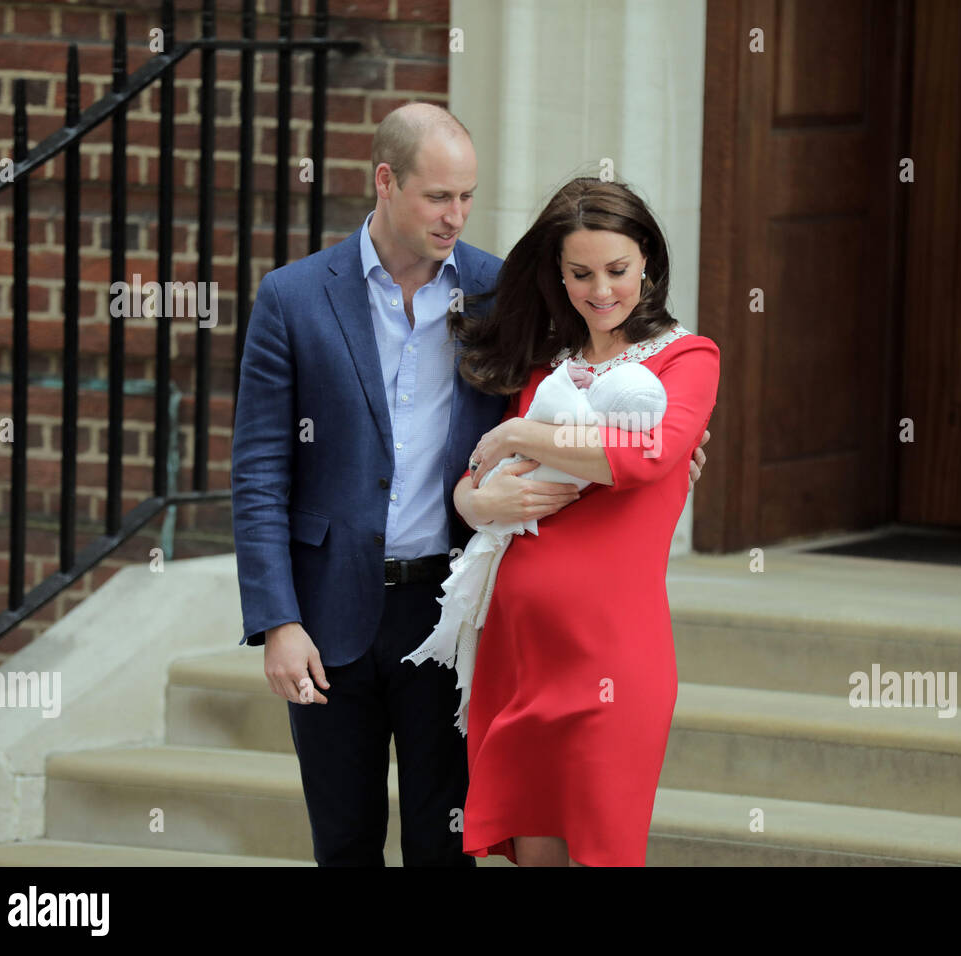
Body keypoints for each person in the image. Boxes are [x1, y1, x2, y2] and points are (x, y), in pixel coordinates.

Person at [230, 103, 709, 866]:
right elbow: (258, 474)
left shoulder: (501, 291)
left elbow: (590, 392)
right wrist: (277, 620)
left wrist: (675, 450)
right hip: (329, 616)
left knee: (444, 847)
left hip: (454, 615)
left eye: (467, 198)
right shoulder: (293, 298)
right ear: (385, 183)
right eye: (438, 197)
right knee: (344, 842)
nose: (456, 216)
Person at [449, 177, 721, 866]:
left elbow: (644, 457)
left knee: (604, 852)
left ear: (649, 266)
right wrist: (472, 500)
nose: (601, 289)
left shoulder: (689, 358)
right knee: (534, 856)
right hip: (521, 651)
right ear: (558, 276)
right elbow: (478, 479)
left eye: (617, 270)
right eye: (580, 273)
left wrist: (519, 440)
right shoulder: (548, 371)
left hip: (611, 657)